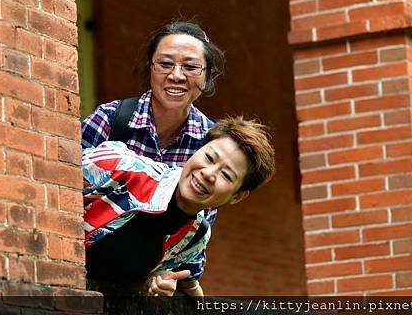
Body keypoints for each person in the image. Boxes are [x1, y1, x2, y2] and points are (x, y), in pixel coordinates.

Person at [81, 21, 225, 284]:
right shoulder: (111, 119)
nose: (177, 76)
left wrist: (174, 277)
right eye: (165, 64)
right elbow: (64, 193)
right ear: (150, 68)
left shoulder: (212, 144)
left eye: (191, 67)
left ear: (207, 76)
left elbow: (197, 231)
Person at [83, 116, 275, 297]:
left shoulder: (195, 237)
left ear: (237, 196)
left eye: (226, 175)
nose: (209, 174)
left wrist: (155, 283)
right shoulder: (120, 165)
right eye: (209, 158)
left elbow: (148, 277)